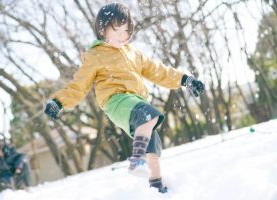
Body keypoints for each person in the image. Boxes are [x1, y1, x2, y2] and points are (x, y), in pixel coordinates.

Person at [44, 2, 204, 193]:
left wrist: (185, 80)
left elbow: (158, 71)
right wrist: (59, 101)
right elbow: (79, 84)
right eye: (117, 30)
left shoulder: (134, 52)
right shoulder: (95, 55)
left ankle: (157, 186)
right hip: (116, 101)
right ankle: (137, 160)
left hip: (135, 101)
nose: (124, 35)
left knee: (152, 141)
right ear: (103, 30)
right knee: (149, 116)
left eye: (127, 29)